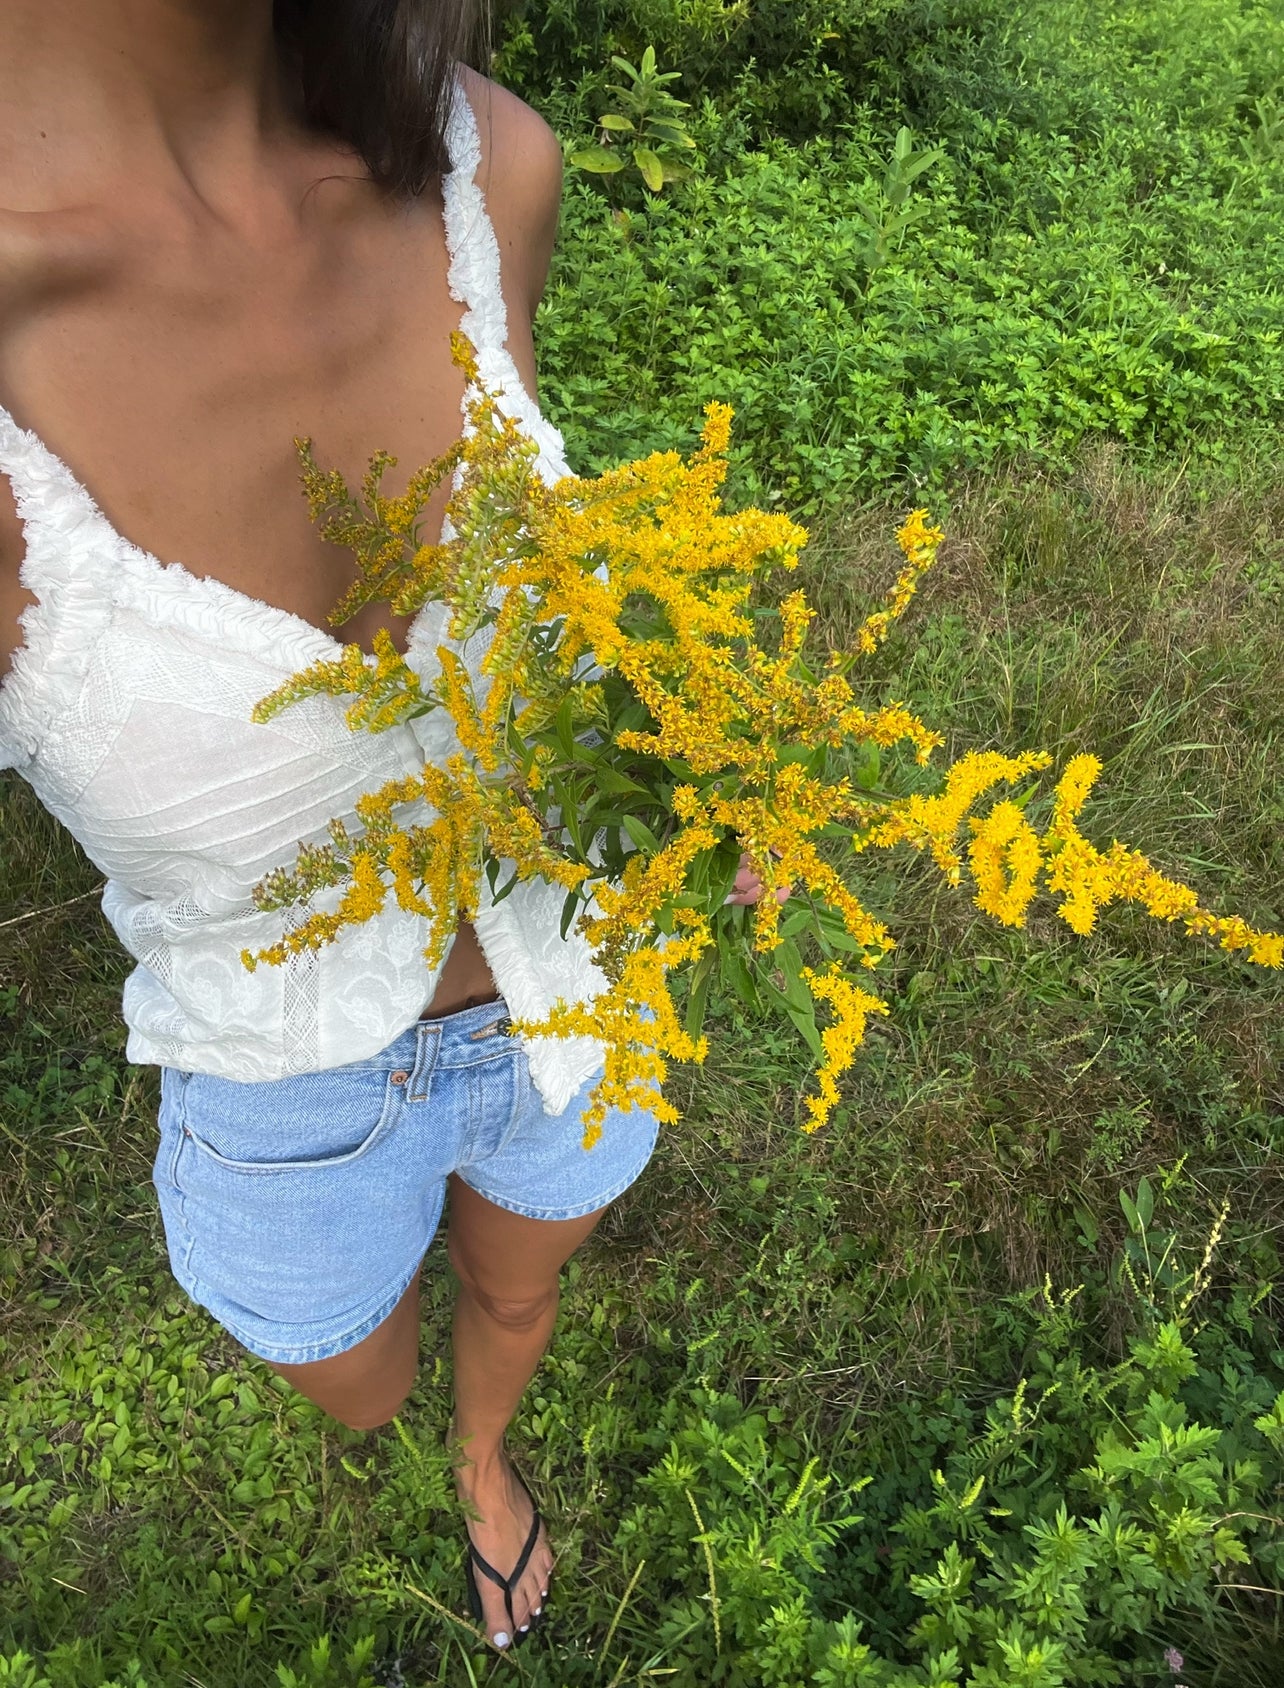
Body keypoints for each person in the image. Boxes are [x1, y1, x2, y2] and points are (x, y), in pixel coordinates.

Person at [0, 0, 777, 1653]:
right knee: (354, 1382)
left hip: (582, 1002)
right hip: (291, 1092)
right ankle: (418, 1425)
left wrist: (692, 758)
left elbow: (548, 586)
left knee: (520, 1291)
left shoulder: (480, 163)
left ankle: (488, 1466)